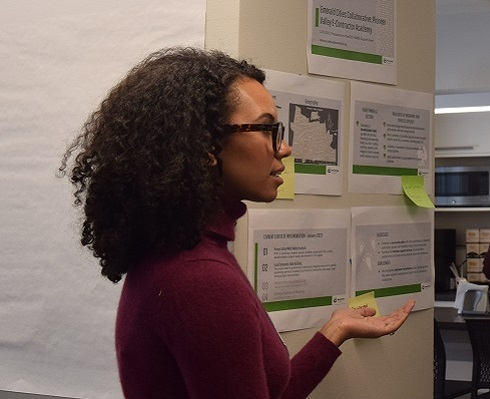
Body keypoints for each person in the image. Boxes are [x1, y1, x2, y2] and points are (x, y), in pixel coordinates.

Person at [59, 47, 415, 398]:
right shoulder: (199, 279)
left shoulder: (185, 254)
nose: (284, 149)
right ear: (207, 146)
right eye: (265, 129)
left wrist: (335, 331)